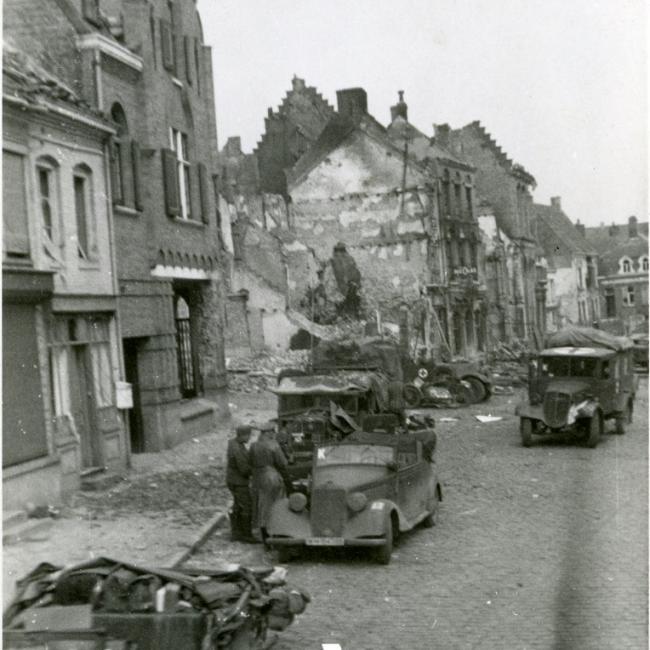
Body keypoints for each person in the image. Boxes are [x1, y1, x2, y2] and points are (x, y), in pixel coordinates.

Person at [250, 422, 293, 544]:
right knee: (278, 504)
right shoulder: (273, 445)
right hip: (271, 477)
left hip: (257, 478)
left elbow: (250, 461)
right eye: (272, 432)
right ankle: (277, 534)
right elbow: (282, 463)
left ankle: (264, 535)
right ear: (268, 433)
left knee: (262, 506)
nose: (274, 434)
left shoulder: (254, 445)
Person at [225, 425, 257, 544]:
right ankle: (247, 535)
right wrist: (254, 471)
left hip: (232, 479)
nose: (249, 438)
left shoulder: (233, 443)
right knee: (247, 506)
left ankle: (236, 533)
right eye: (249, 435)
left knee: (237, 506)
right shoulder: (238, 449)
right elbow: (244, 469)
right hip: (239, 482)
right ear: (243, 435)